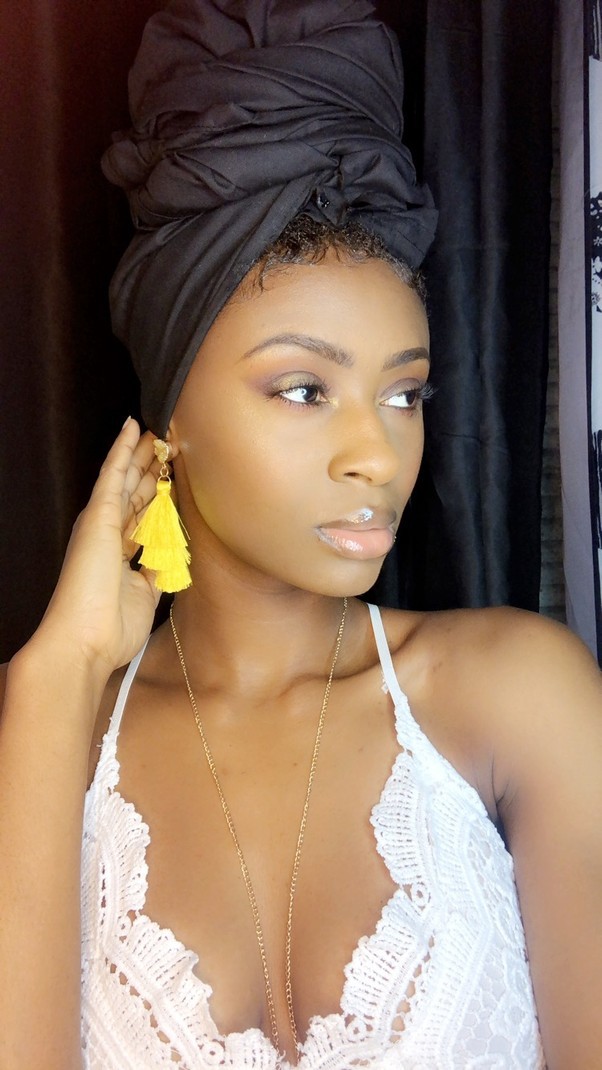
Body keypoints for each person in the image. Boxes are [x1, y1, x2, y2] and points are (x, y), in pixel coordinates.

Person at [1, 2, 601, 1068]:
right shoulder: (48, 730)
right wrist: (55, 679)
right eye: (302, 388)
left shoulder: (517, 695)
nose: (378, 454)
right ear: (170, 411)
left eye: (404, 393)